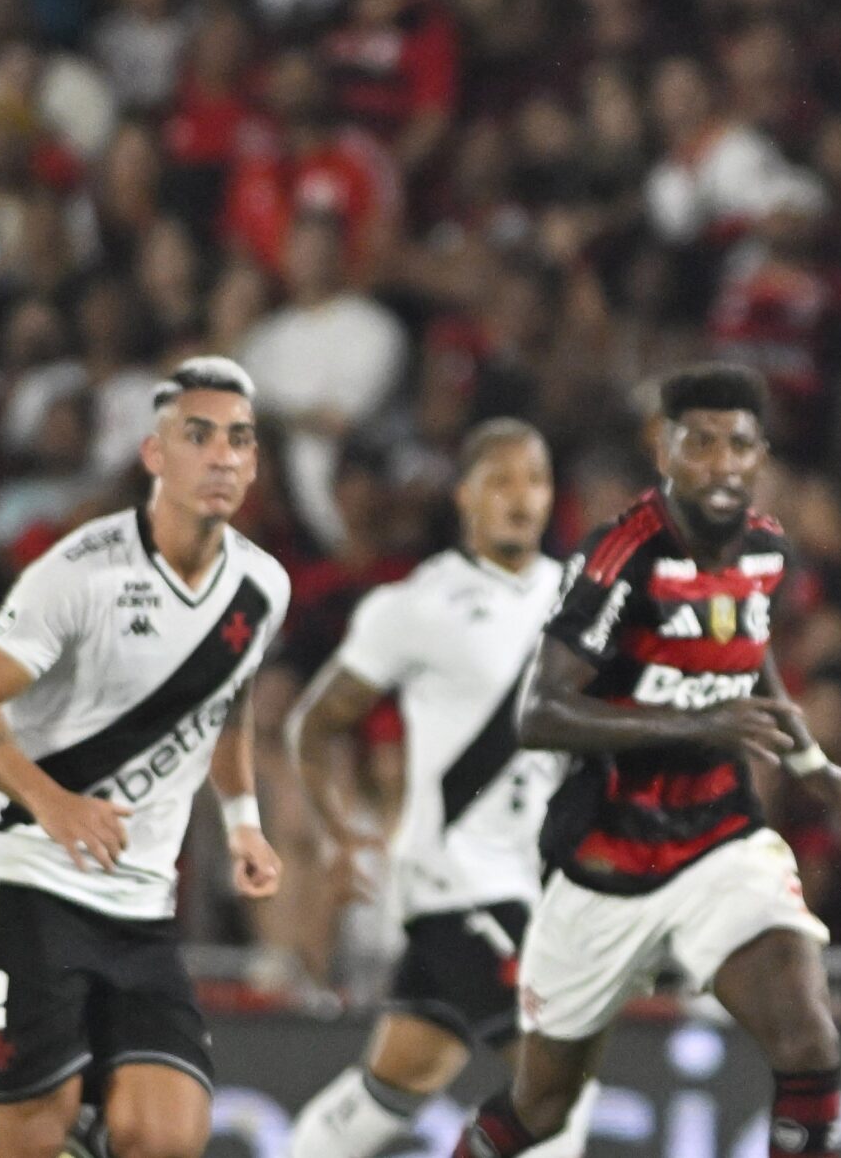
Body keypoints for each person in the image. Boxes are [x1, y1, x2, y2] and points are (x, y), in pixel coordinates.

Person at [452, 366, 841, 1158]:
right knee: (540, 1108)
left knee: (808, 1043)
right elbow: (540, 713)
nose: (722, 462)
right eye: (702, 442)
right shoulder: (621, 557)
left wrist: (815, 764)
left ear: (761, 458)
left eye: (740, 445)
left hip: (720, 843)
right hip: (605, 861)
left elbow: (747, 661)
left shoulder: (766, 549)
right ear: (665, 448)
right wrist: (694, 721)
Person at [0, 357, 291, 1158]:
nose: (222, 457)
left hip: (139, 903)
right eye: (197, 436)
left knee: (164, 1140)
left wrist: (243, 821)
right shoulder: (82, 572)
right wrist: (54, 803)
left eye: (239, 440)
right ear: (154, 455)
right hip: (27, 877)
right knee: (36, 1136)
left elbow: (228, 702)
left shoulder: (263, 586)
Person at [284, 419, 572, 1156]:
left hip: (532, 881)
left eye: (534, 480)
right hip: (456, 883)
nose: (521, 497)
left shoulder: (579, 601)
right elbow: (314, 725)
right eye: (501, 480)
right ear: (466, 496)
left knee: (397, 1080)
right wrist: (340, 834)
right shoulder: (417, 604)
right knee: (558, 1079)